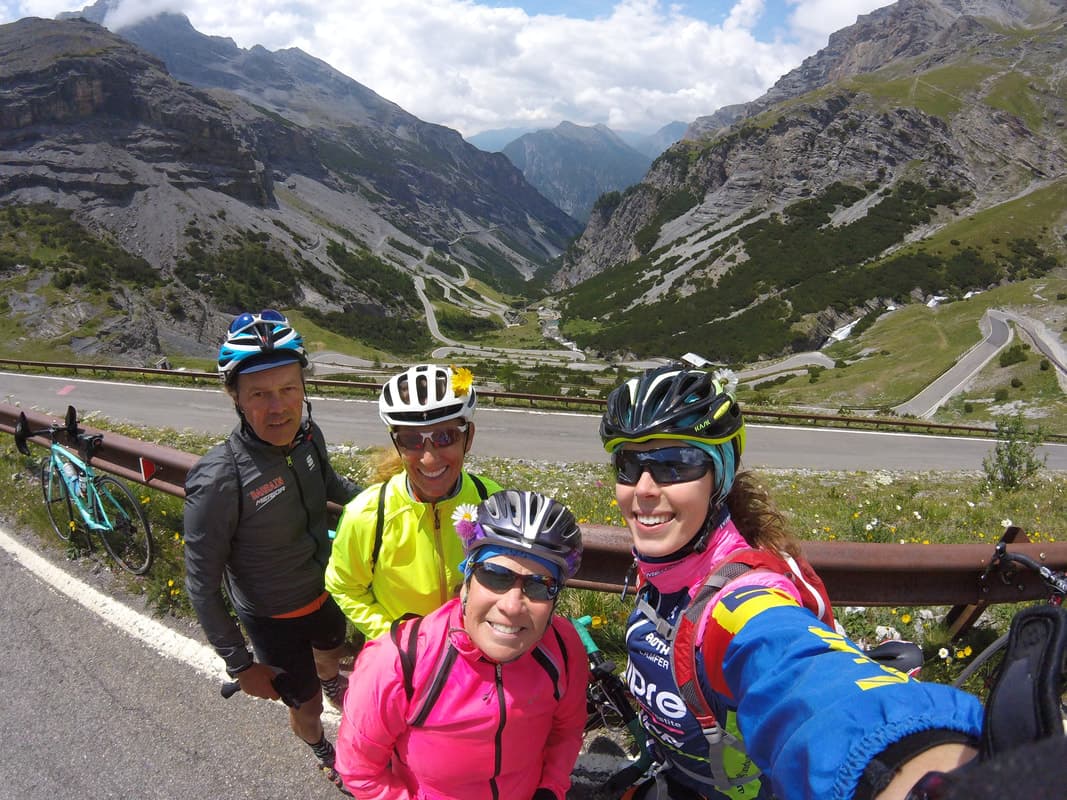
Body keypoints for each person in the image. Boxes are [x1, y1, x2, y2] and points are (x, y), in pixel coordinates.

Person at [599, 355, 983, 800]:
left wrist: (918, 767)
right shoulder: (664, 563)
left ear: (718, 475)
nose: (644, 488)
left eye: (675, 463)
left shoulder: (742, 598)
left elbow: (797, 670)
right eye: (629, 464)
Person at [183, 310, 361, 795]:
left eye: (288, 389)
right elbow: (200, 583)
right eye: (260, 394)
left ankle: (329, 683)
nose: (278, 407)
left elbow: (332, 486)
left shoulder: (309, 438)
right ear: (236, 398)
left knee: (332, 656)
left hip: (325, 590)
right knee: (302, 708)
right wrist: (240, 664)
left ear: (304, 388)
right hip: (272, 619)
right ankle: (321, 747)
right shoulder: (221, 477)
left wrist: (387, 503)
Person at [334, 489, 590, 799]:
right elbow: (359, 769)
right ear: (466, 580)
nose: (512, 605)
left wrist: (550, 787)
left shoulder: (563, 648)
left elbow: (567, 730)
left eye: (540, 585)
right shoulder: (399, 661)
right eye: (496, 576)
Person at [325, 363, 501, 642]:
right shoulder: (367, 514)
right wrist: (393, 639)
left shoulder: (494, 504)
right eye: (411, 440)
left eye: (445, 436)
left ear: (468, 438)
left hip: (475, 656)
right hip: (407, 661)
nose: (429, 458)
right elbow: (344, 585)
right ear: (397, 445)